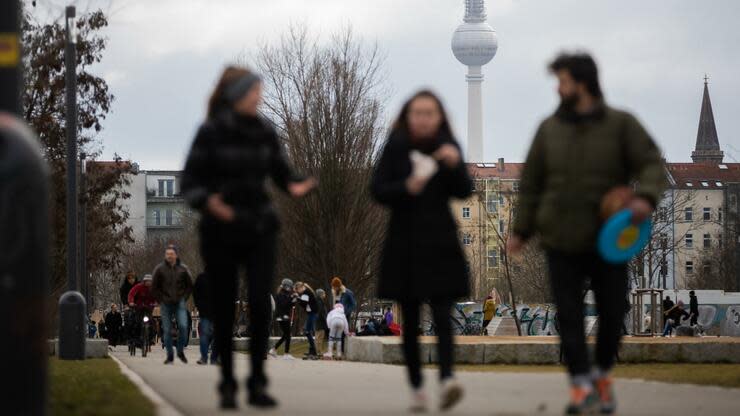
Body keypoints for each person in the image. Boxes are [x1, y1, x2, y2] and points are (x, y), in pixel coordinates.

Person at [507, 52, 666, 414]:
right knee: (568, 315)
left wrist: (645, 198)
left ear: (582, 83)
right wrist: (521, 231)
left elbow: (652, 163)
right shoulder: (549, 129)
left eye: (562, 80)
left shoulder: (620, 125)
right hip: (560, 240)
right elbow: (531, 183)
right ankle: (580, 385)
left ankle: (602, 376)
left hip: (610, 239)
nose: (557, 88)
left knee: (613, 311)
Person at [181, 66, 316, 409]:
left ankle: (257, 382)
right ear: (237, 93)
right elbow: (190, 184)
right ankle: (227, 382)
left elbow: (282, 172)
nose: (259, 98)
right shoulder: (210, 132)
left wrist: (298, 185)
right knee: (225, 308)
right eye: (254, 91)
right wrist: (210, 201)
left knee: (259, 303)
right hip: (220, 229)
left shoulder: (264, 129)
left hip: (259, 227)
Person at [371, 89, 472, 412]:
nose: (424, 119)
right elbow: (376, 189)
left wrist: (456, 166)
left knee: (444, 314)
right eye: (418, 112)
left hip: (441, 239)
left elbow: (465, 190)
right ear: (407, 115)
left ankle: (447, 379)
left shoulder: (448, 146)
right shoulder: (397, 146)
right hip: (404, 241)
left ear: (439, 116)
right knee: (411, 318)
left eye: (430, 113)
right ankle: (416, 387)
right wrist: (406, 187)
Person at [152, 245, 193, 365]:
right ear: (165, 255)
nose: (169, 256)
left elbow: (189, 286)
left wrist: (184, 298)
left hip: (179, 302)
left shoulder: (183, 269)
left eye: (172, 254)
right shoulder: (159, 269)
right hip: (166, 303)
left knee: (184, 327)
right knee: (167, 330)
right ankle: (170, 355)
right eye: (167, 254)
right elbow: (154, 287)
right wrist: (160, 300)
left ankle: (180, 351)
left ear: (176, 255)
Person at [194, 272, 219, 365]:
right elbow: (196, 292)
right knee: (205, 335)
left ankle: (213, 357)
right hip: (205, 311)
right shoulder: (201, 277)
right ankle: (205, 357)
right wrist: (199, 305)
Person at [128, 275, 158, 348]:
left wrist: (157, 302)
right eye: (147, 281)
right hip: (139, 307)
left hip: (149, 307)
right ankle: (136, 338)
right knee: (137, 322)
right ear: (144, 281)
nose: (148, 283)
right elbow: (131, 294)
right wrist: (131, 302)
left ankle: (151, 338)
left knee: (152, 323)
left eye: (150, 281)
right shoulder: (139, 286)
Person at [269, 279, 296, 359]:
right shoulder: (281, 294)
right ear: (286, 286)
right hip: (282, 317)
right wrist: (291, 298)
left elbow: (289, 305)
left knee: (286, 335)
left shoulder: (286, 294)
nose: (290, 289)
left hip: (284, 316)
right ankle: (286, 353)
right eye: (290, 287)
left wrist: (293, 300)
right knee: (288, 335)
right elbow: (284, 304)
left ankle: (274, 349)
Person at [294, 281, 320, 359]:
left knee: (307, 332)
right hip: (312, 313)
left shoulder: (305, 292)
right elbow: (304, 303)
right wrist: (299, 298)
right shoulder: (306, 292)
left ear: (300, 288)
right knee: (309, 332)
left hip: (312, 313)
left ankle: (314, 352)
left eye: (297, 290)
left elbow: (303, 303)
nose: (298, 292)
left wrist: (297, 297)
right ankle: (311, 351)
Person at [331, 277, 356, 354]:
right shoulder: (334, 293)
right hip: (336, 315)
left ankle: (343, 350)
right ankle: (339, 350)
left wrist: (347, 312)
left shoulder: (347, 292)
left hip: (345, 315)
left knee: (343, 333)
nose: (334, 288)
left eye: (335, 287)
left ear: (339, 286)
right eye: (333, 287)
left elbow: (353, 304)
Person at [315, 289, 329, 355]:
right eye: (323, 294)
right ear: (320, 294)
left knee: (319, 337)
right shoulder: (319, 302)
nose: (325, 295)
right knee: (319, 337)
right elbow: (321, 312)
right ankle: (318, 351)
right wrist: (326, 320)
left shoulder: (319, 301)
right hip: (320, 322)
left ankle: (319, 350)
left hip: (319, 321)